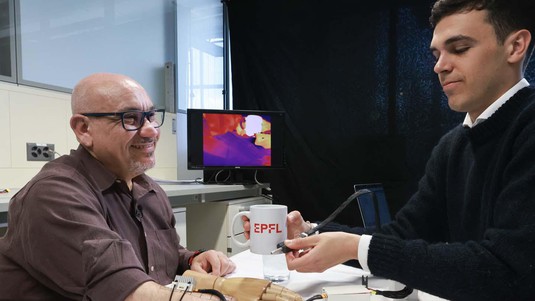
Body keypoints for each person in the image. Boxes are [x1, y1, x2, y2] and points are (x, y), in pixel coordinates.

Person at [242, 0, 535, 299]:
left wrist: (355, 247)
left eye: (459, 48)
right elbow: (403, 235)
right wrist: (310, 234)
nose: (440, 66)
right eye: (436, 54)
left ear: (515, 46)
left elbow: (508, 271)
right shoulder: (454, 146)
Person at [0, 73, 235, 301]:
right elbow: (123, 290)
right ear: (83, 129)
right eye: (130, 118)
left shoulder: (148, 189)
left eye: (151, 116)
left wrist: (191, 259)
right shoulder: (55, 194)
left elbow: (155, 256)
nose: (151, 130)